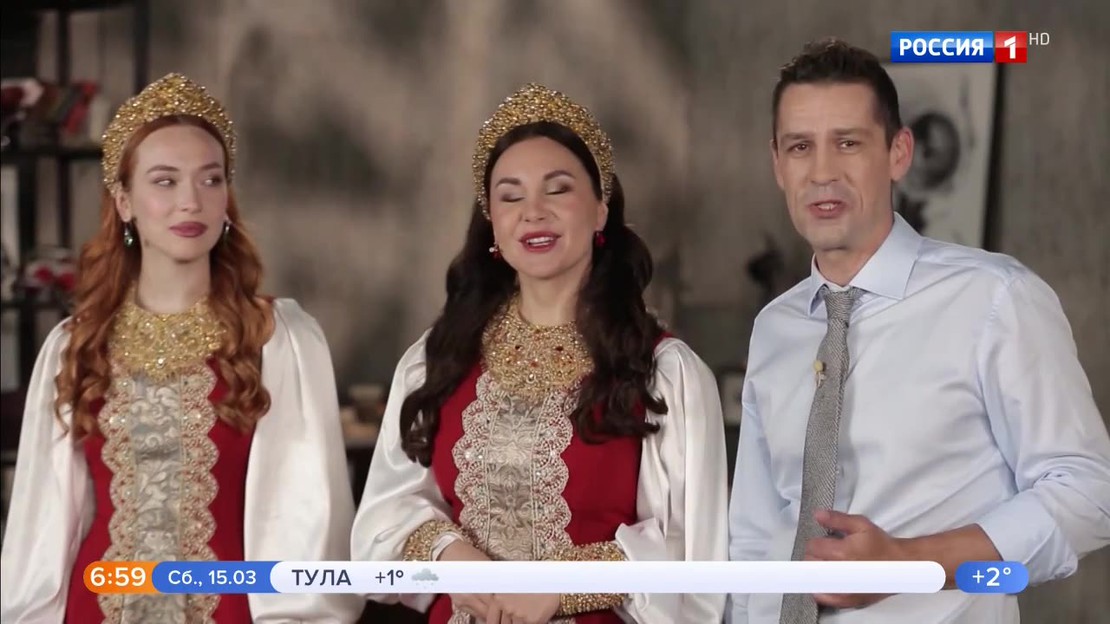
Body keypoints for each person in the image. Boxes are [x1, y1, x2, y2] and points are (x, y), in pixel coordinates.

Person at [727, 38, 1110, 624]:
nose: (822, 172)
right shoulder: (774, 327)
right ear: (778, 164)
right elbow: (755, 535)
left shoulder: (995, 298)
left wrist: (911, 562)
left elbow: (1088, 494)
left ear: (899, 153)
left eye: (848, 143)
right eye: (801, 146)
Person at [352, 83, 729, 623]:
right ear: (492, 223)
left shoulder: (663, 373)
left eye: (557, 190)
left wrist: (561, 588)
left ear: (600, 210)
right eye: (510, 196)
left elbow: (693, 552)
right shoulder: (438, 358)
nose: (533, 213)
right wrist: (449, 555)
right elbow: (383, 516)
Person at [0, 73, 363, 623]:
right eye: (165, 182)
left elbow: (307, 521)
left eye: (210, 180)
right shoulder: (75, 344)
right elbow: (42, 529)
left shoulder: (278, 338)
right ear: (124, 201)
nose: (190, 202)